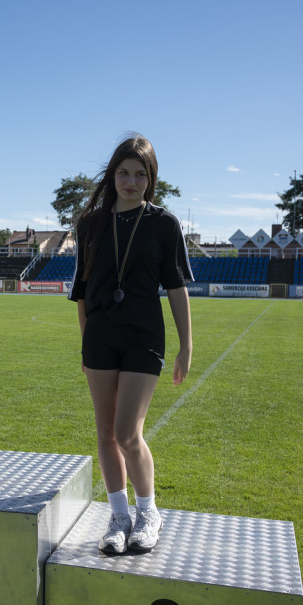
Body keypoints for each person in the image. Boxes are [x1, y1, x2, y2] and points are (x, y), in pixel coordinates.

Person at [69, 134, 193, 553]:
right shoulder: (91, 223)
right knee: (105, 431)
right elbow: (82, 291)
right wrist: (86, 344)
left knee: (127, 432)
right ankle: (118, 516)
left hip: (144, 336)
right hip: (100, 336)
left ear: (150, 179)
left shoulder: (163, 223)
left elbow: (176, 287)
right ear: (112, 175)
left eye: (140, 175)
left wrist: (186, 345)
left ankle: (148, 512)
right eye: (124, 173)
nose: (131, 182)